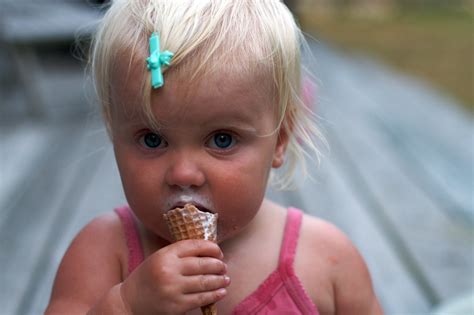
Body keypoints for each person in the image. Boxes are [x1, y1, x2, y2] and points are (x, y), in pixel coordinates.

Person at [46, 0, 383, 314]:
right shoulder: (103, 252)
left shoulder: (328, 259)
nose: (183, 173)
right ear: (113, 131)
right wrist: (126, 304)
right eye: (152, 139)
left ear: (279, 139)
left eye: (222, 140)